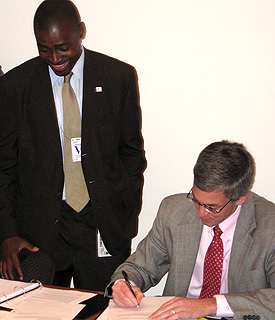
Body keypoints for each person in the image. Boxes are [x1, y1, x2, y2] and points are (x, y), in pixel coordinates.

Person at [0, 0, 146, 291]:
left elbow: (132, 153)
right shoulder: (15, 86)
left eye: (63, 47)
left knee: (101, 309)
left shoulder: (119, 77)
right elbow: (4, 166)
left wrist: (123, 214)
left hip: (101, 225)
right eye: (44, 48)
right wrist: (7, 233)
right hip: (40, 232)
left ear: (81, 31)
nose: (54, 58)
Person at [108, 141, 275, 320]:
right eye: (196, 200)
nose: (201, 213)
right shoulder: (173, 210)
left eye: (212, 207)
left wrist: (210, 305)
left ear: (241, 198)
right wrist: (123, 285)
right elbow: (139, 266)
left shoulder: (269, 225)